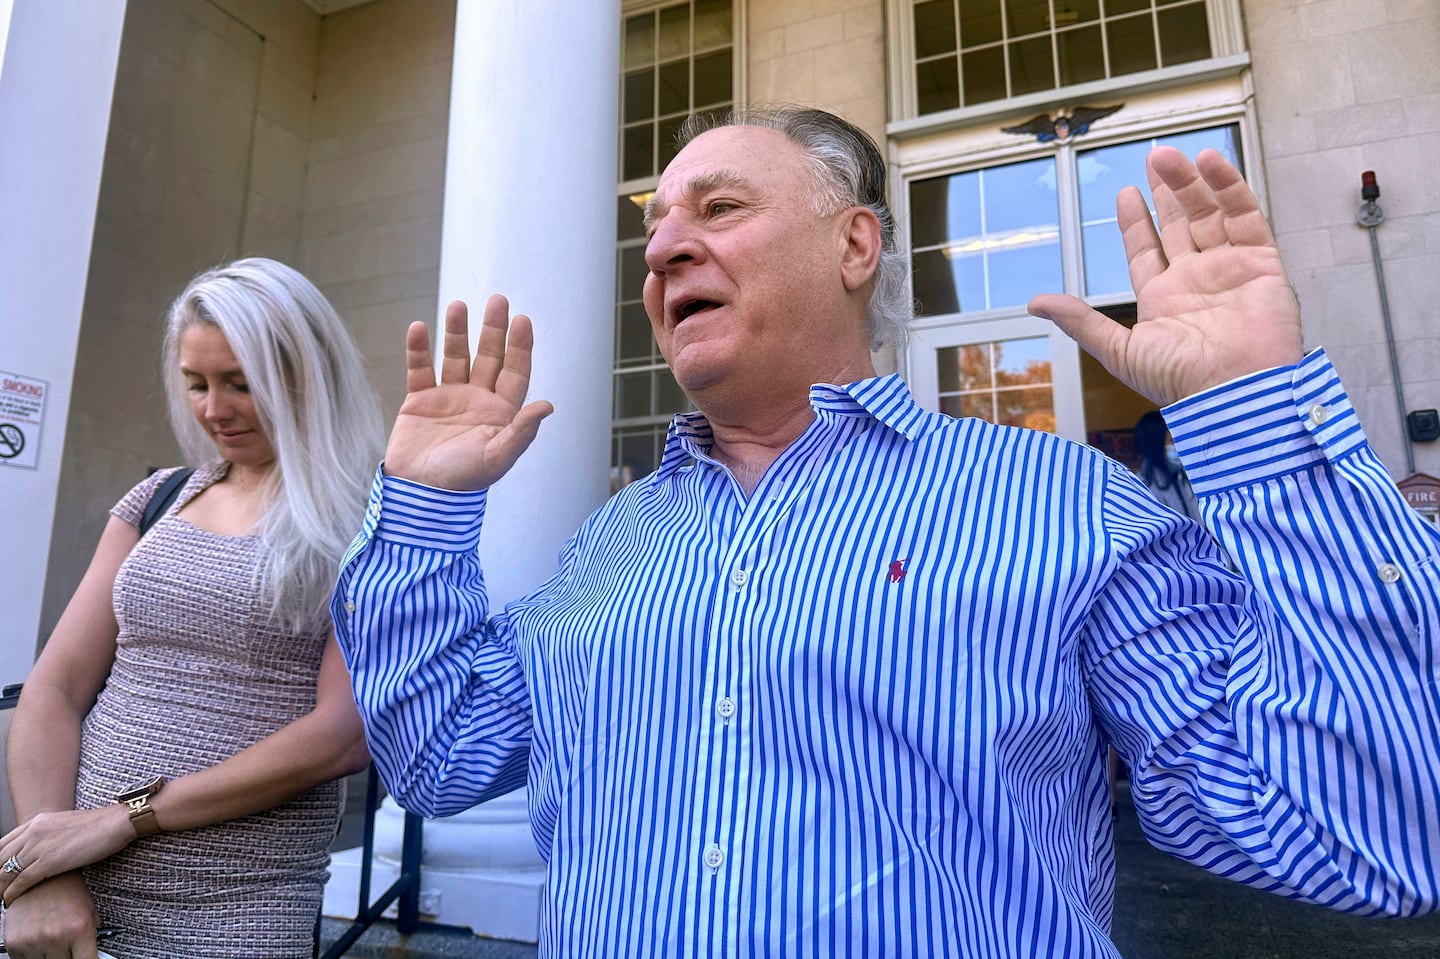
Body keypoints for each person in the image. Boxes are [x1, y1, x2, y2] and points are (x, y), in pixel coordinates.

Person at [333, 107, 1440, 956]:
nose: (664, 248)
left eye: (716, 210)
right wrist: (426, 508)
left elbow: (1356, 829)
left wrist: (1259, 418)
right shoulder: (613, 536)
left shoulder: (1060, 501)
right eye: (656, 224)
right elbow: (440, 753)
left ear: (856, 243)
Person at [0, 258, 385, 959]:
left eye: (242, 382)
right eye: (197, 383)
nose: (214, 408)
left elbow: (342, 734)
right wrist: (43, 867)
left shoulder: (366, 519)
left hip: (238, 913)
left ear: (310, 372)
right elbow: (53, 688)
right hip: (74, 899)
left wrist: (127, 818)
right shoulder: (158, 498)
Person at [1132, 408, 1197, 519]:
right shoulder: (1144, 487)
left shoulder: (1179, 475)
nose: (1177, 446)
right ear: (1156, 444)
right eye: (1172, 441)